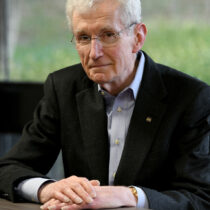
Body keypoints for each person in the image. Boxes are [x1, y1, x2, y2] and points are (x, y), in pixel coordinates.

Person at [0, 0, 210, 209]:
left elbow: (200, 197)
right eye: (83, 37)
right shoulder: (63, 88)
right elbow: (9, 168)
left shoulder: (191, 98)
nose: (94, 53)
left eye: (108, 35)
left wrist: (130, 196)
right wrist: (47, 189)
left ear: (138, 37)